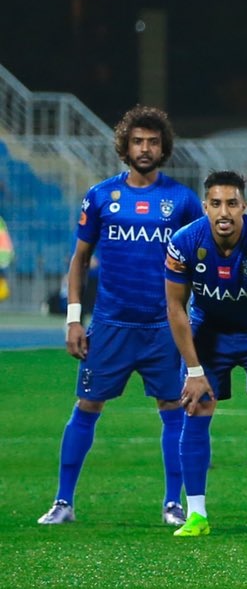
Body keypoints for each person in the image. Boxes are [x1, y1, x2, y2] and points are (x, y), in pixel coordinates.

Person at [39, 106, 203, 527]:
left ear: (163, 147)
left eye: (152, 141)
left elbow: (197, 263)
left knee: (173, 408)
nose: (145, 148)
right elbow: (79, 260)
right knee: (87, 405)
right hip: (110, 326)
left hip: (163, 328)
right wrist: (75, 318)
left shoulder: (182, 201)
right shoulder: (100, 196)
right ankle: (63, 502)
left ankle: (173, 503)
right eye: (137, 141)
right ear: (125, 147)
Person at [162, 171, 247, 538]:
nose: (225, 211)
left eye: (232, 203)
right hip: (209, 333)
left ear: (244, 207)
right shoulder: (184, 243)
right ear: (205, 206)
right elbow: (175, 308)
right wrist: (192, 369)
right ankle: (196, 515)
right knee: (196, 406)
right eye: (217, 203)